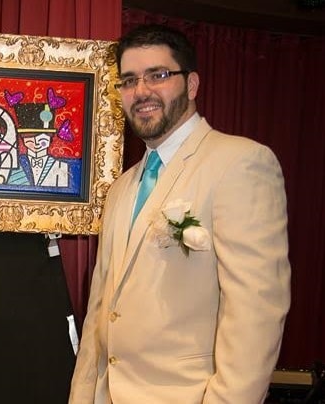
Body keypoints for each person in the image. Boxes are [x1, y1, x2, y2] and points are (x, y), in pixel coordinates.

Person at [69, 24, 291, 403]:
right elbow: (99, 314)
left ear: (191, 85)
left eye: (158, 75)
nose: (141, 92)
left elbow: (256, 315)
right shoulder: (121, 188)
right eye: (129, 80)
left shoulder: (240, 162)